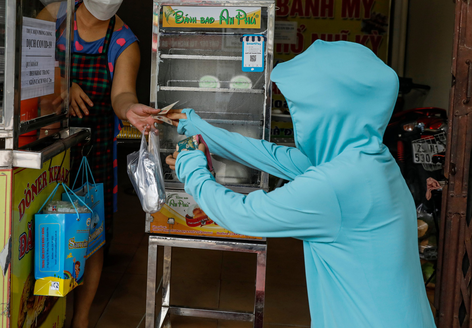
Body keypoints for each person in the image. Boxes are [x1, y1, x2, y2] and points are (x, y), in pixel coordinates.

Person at [166, 40, 436, 328]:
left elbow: (242, 214)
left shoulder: (335, 184)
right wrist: (195, 127)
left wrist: (190, 166)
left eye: (300, 108)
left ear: (328, 110)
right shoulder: (369, 159)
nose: (297, 118)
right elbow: (273, 156)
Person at [38, 0, 158, 328]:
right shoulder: (51, 18)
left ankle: (81, 319)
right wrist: (63, 80)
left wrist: (131, 110)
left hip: (94, 148)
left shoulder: (124, 41)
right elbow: (25, 69)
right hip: (43, 141)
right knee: (40, 226)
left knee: (89, 237)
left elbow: (122, 94)